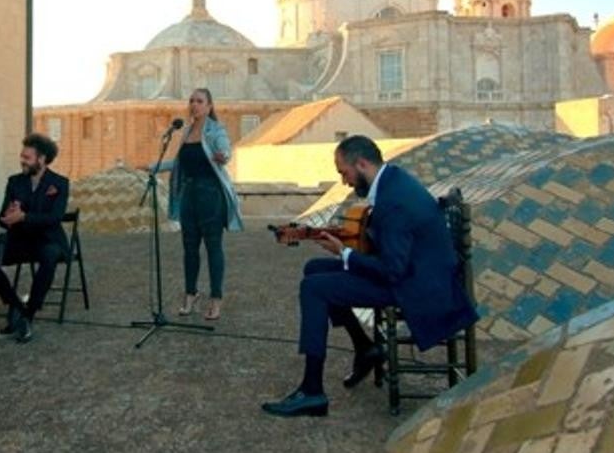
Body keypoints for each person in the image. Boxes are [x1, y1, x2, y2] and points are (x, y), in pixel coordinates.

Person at [261, 135, 478, 417]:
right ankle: (365, 348)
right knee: (314, 269)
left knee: (314, 288)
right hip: (415, 272)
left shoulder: (392, 202)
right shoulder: (393, 180)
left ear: (361, 164)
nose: (344, 181)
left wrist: (346, 254)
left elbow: (392, 270)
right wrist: (345, 249)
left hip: (416, 287)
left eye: (344, 173)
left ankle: (312, 391)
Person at [157, 88, 243, 321]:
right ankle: (190, 294)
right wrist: (154, 166)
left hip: (210, 194)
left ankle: (216, 298)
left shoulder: (216, 130)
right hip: (189, 194)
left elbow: (225, 150)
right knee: (189, 248)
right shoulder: (185, 132)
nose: (194, 105)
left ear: (209, 106)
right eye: (191, 101)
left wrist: (223, 155)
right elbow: (179, 163)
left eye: (199, 101)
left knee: (213, 247)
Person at [0, 133, 70, 343]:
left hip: (47, 240)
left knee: (50, 256)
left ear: (42, 159)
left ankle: (29, 315)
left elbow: (54, 218)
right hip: (19, 240)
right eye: (22, 156)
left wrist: (24, 216)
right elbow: (1, 218)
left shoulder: (60, 183)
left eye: (27, 157)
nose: (22, 161)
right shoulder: (15, 182)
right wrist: (8, 216)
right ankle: (16, 306)